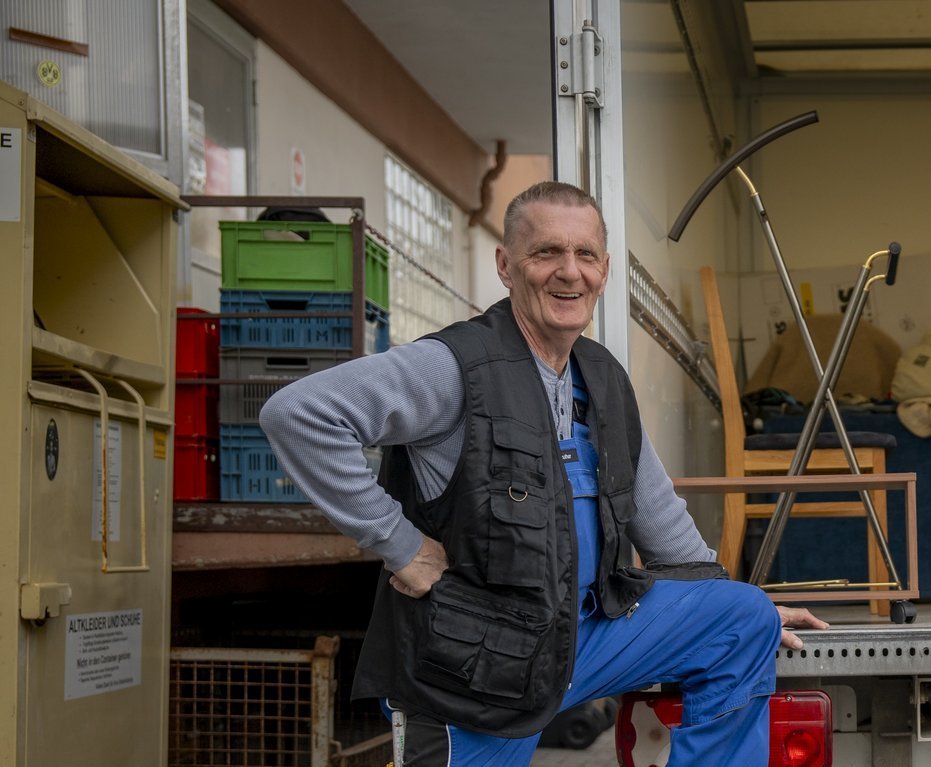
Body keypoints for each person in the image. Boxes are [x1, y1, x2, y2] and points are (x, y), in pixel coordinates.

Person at [260, 181, 827, 766]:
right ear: (506, 266)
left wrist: (732, 604)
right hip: (474, 659)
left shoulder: (603, 380)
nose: (568, 272)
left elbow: (662, 522)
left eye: (584, 255)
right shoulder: (454, 367)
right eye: (546, 253)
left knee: (740, 617)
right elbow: (298, 413)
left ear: (604, 270)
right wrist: (400, 545)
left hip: (581, 634)